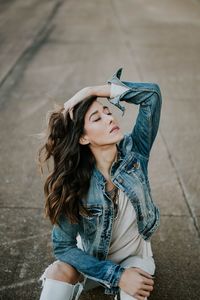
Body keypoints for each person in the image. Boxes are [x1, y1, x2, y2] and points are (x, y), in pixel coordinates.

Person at [38, 67, 162, 300]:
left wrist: (93, 90)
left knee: (134, 288)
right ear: (83, 138)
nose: (109, 118)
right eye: (97, 118)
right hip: (93, 260)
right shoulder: (74, 182)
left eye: (107, 112)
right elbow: (64, 247)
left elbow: (152, 95)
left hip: (134, 259)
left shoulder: (136, 154)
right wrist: (115, 275)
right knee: (58, 271)